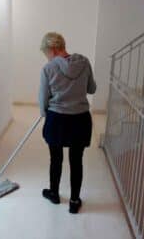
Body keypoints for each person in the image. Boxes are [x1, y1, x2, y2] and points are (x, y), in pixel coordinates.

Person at [38, 32, 97, 214]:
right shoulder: (84, 62)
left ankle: (54, 194)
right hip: (80, 119)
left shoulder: (48, 68)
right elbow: (92, 89)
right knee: (76, 160)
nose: (47, 56)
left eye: (47, 52)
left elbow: (43, 98)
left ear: (53, 49)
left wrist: (44, 113)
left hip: (57, 119)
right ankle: (74, 201)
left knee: (55, 159)